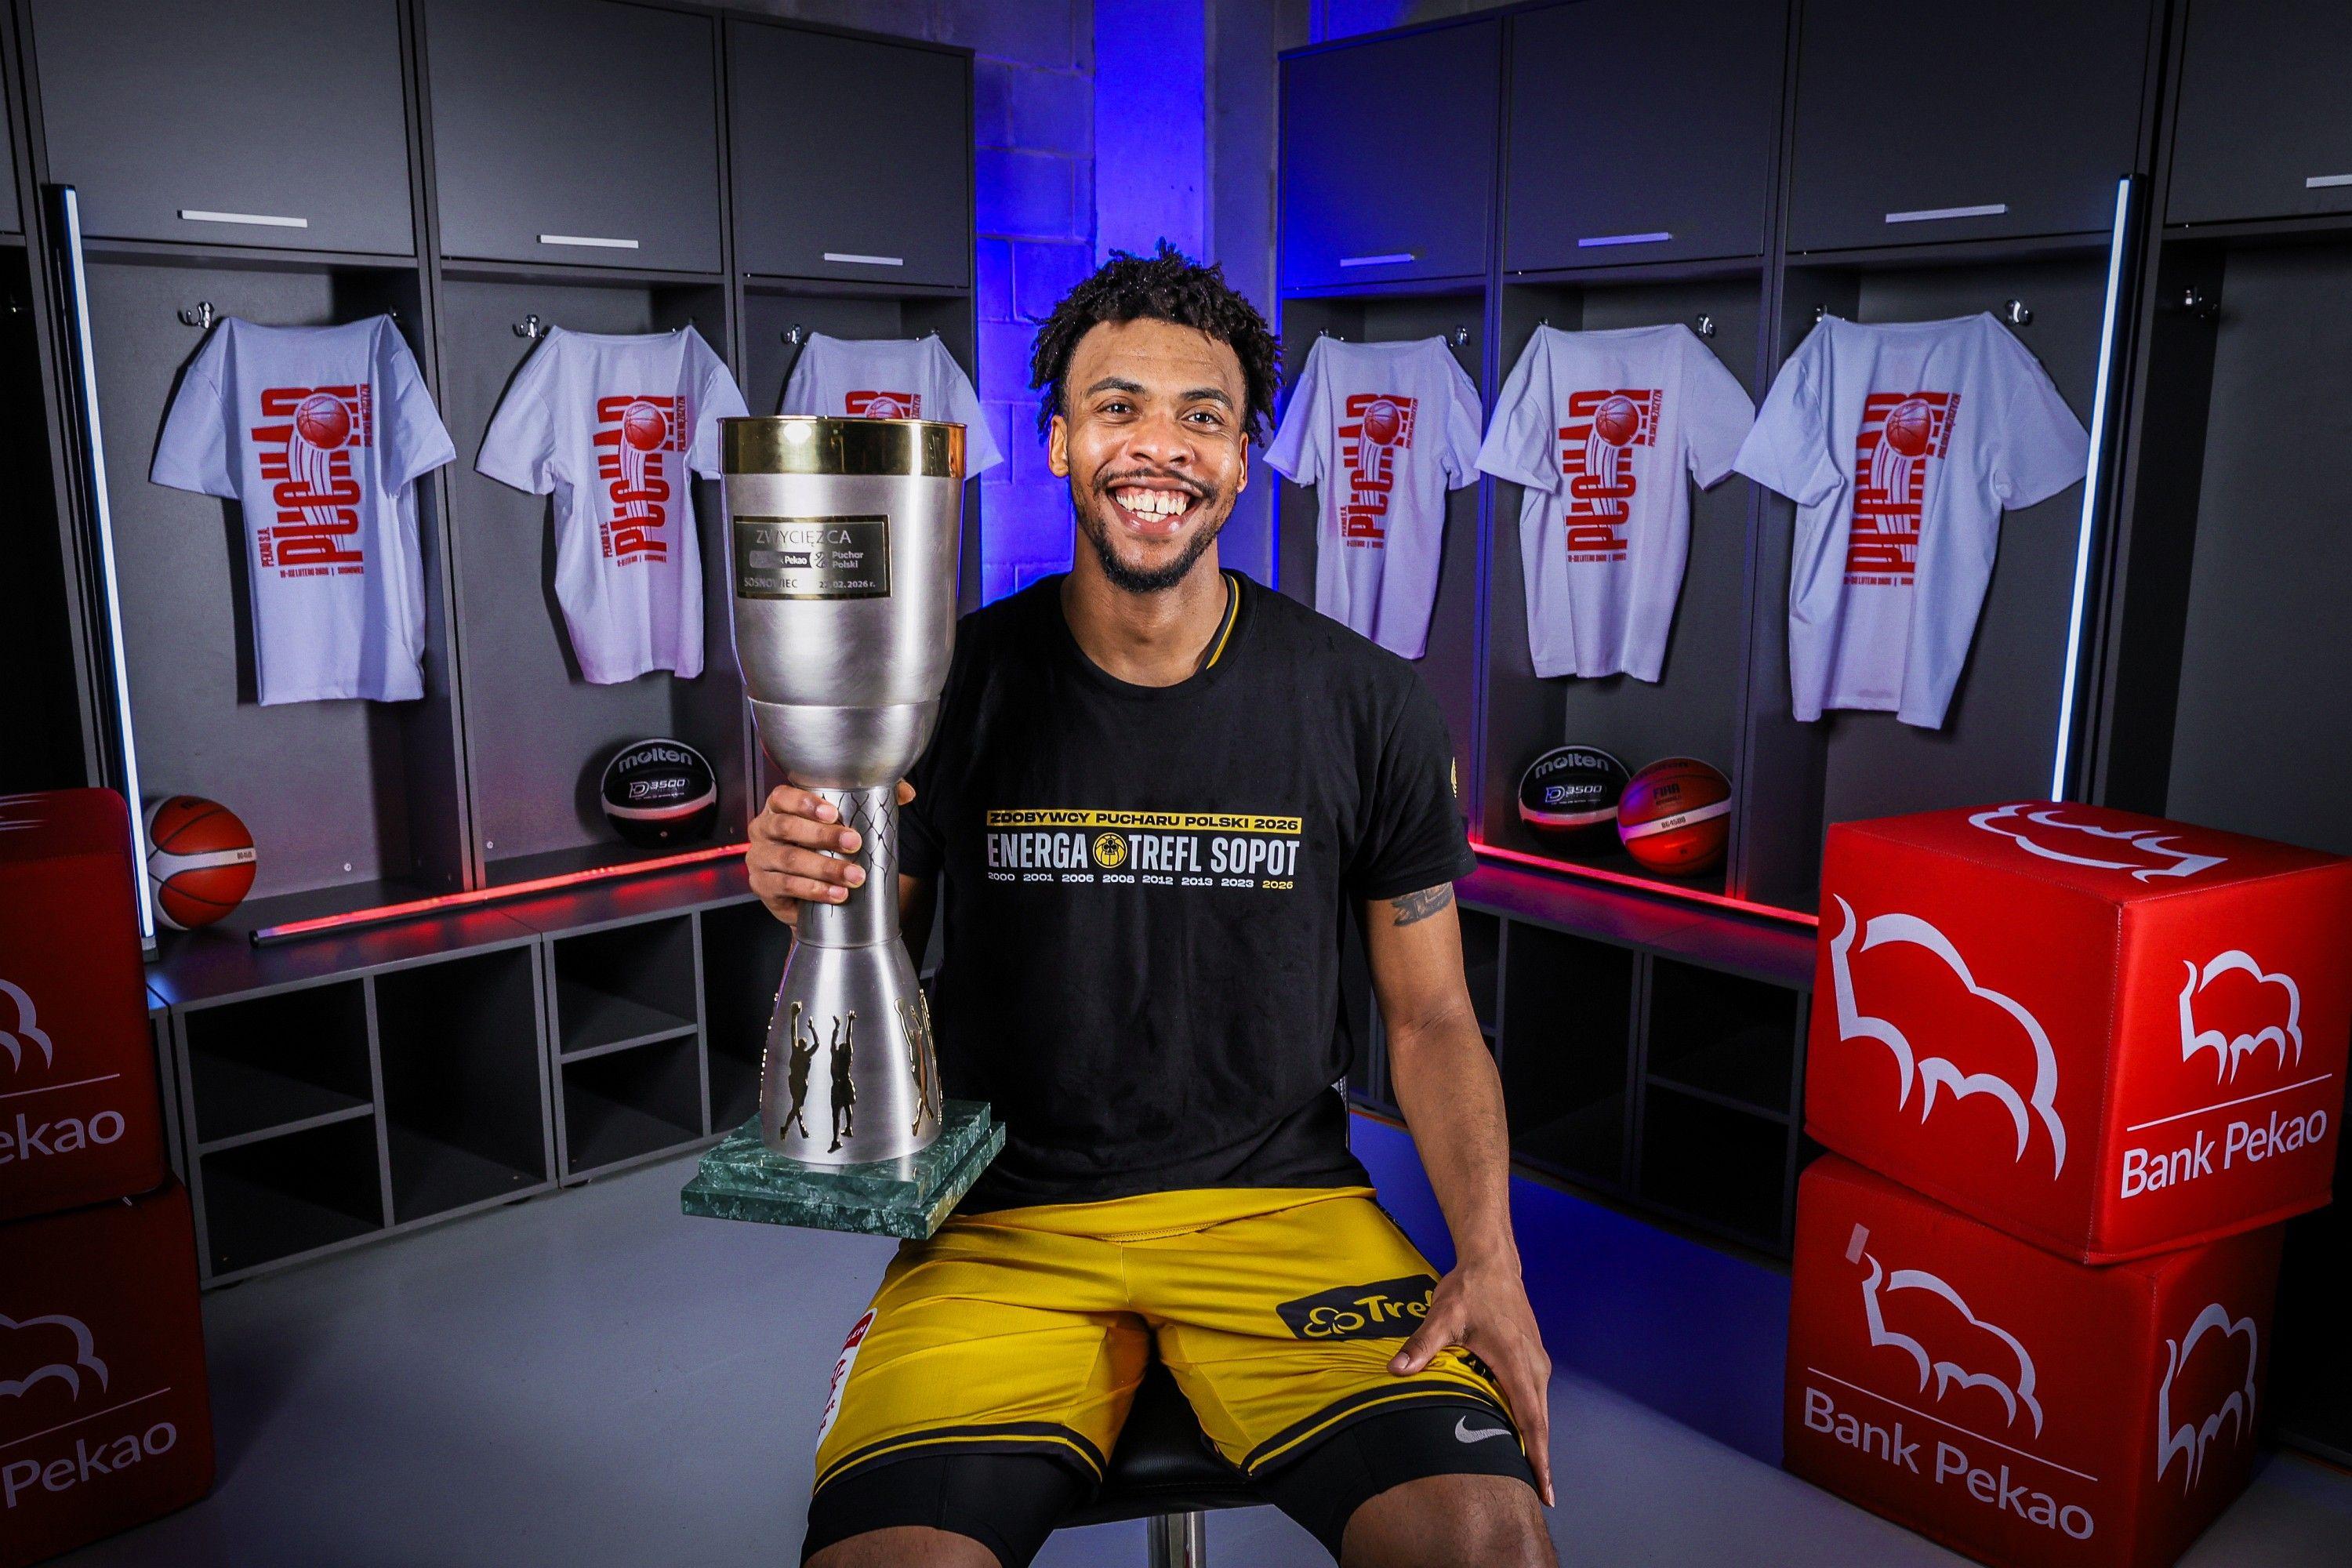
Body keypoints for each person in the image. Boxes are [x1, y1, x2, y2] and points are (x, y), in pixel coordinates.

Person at [750, 244, 1555, 1568]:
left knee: (1489, 1546)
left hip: (1282, 1214)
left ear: (1244, 458)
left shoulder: (1368, 703)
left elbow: (1432, 1020)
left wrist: (1492, 1258)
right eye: (1117, 407)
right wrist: (805, 882)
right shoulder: (943, 688)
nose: (1159, 446)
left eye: (1203, 416)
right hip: (1003, 1226)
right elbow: (865, 943)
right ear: (1060, 442)